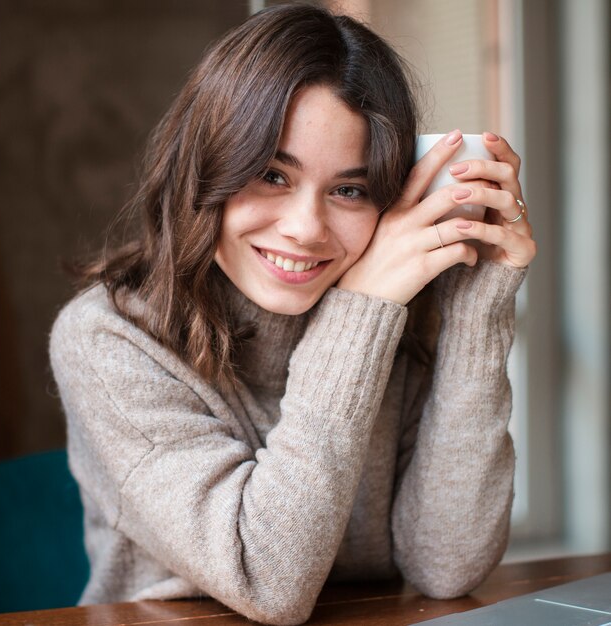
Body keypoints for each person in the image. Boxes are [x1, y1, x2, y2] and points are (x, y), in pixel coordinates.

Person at [49, 4, 536, 625]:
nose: (306, 229)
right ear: (204, 165)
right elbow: (266, 579)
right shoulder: (107, 337)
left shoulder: (402, 311)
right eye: (272, 174)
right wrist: (360, 315)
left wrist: (476, 303)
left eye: (350, 190)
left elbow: (447, 568)